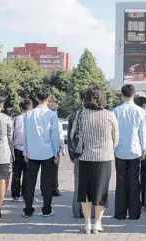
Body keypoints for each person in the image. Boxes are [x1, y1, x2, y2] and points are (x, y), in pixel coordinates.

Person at [77, 85, 119, 234]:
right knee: (101, 192)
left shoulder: (80, 115)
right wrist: (108, 148)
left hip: (85, 158)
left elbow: (74, 136)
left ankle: (87, 223)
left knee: (86, 192)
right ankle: (98, 223)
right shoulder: (110, 115)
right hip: (104, 158)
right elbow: (116, 139)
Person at [23, 85, 60, 217]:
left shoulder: (28, 115)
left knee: (30, 182)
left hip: (32, 152)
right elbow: (54, 135)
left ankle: (28, 210)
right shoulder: (51, 115)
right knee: (47, 182)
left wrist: (25, 152)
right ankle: (46, 209)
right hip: (48, 152)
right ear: (49, 98)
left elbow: (25, 136)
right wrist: (56, 153)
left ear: (36, 98)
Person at [113, 84, 146, 220]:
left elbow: (113, 133)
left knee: (121, 181)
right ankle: (134, 213)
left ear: (122, 95)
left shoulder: (115, 111)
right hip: (135, 150)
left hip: (119, 150)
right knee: (134, 182)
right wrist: (144, 149)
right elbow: (142, 133)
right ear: (134, 95)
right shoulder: (140, 111)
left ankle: (120, 213)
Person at [68, 89, 87, 218]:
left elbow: (69, 137)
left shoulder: (74, 115)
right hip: (91, 153)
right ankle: (88, 211)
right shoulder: (94, 114)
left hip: (78, 153)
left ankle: (77, 210)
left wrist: (72, 155)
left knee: (78, 182)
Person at [11, 99, 33, 202]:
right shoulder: (33, 118)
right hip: (29, 149)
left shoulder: (16, 119)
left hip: (17, 149)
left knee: (16, 172)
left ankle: (15, 194)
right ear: (30, 107)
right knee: (27, 173)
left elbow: (11, 135)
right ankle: (26, 194)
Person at [47, 103, 66, 197]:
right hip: (55, 148)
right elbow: (60, 137)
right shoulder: (57, 121)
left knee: (46, 170)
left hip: (45, 147)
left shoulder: (45, 120)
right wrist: (63, 148)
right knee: (54, 169)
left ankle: (45, 189)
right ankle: (54, 188)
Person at [134, 95, 146, 206]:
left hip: (130, 150)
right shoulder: (144, 116)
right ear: (145, 106)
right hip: (144, 151)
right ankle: (143, 199)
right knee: (144, 177)